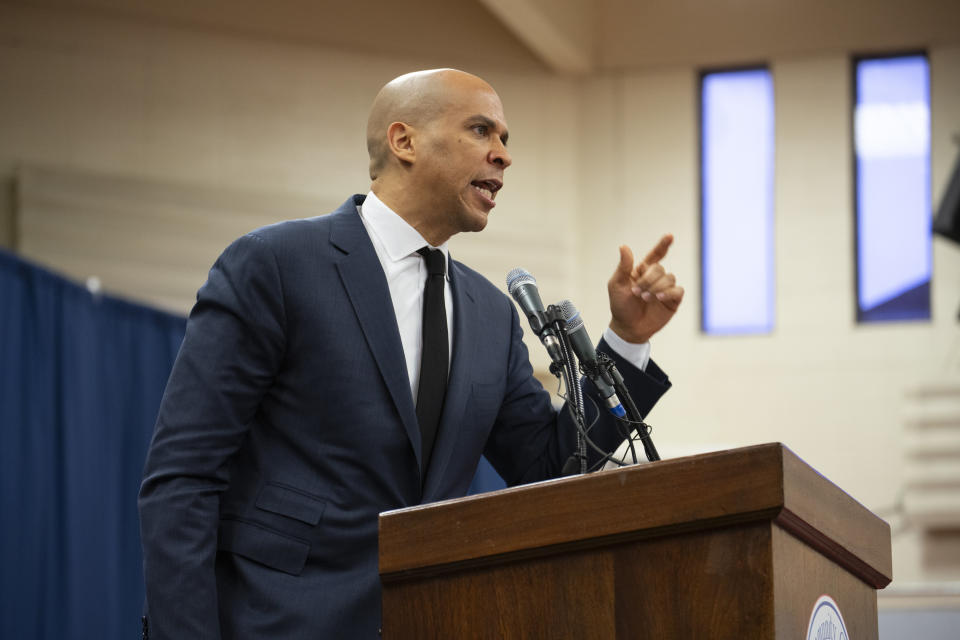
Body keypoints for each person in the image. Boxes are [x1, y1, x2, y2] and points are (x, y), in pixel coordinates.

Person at [138, 68, 683, 639]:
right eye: (482, 131)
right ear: (404, 142)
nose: (503, 156)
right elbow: (184, 477)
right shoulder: (276, 265)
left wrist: (627, 336)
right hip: (278, 622)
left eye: (505, 140)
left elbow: (552, 467)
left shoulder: (490, 315)